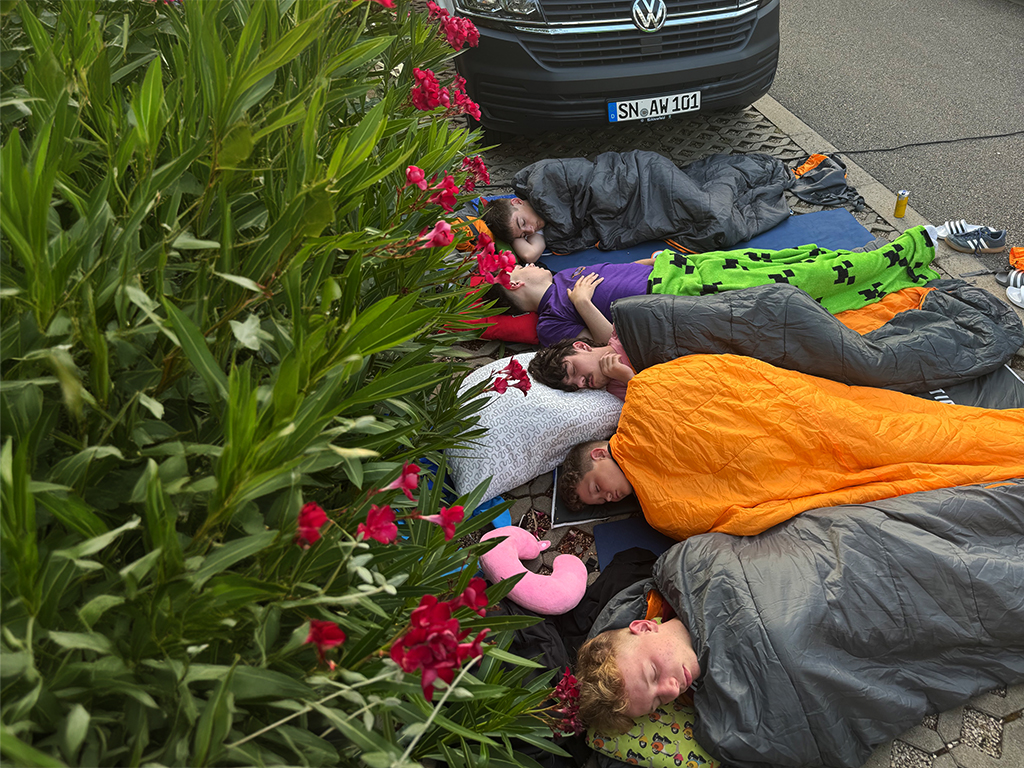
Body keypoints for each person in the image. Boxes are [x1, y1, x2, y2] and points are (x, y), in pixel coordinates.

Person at [574, 478, 1024, 768]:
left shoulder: (691, 564)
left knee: (969, 551)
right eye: (657, 703)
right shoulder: (730, 719)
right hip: (905, 627)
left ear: (644, 627)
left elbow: (780, 528)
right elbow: (814, 734)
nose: (670, 691)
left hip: (871, 554)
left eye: (653, 675)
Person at [556, 354, 1024, 540]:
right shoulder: (660, 511)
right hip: (806, 463)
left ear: (598, 454)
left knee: (904, 429)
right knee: (910, 444)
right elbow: (736, 515)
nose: (608, 501)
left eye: (596, 491)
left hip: (810, 418)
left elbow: (734, 375)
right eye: (597, 504)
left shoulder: (646, 395)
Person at [527, 279, 1024, 400]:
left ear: (579, 348)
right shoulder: (618, 381)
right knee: (861, 362)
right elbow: (672, 395)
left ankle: (978, 322)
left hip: (770, 318)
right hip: (771, 331)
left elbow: (626, 335)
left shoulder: (617, 345)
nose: (586, 384)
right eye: (578, 388)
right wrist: (627, 379)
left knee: (876, 369)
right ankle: (938, 321)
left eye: (576, 373)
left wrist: (584, 307)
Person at [486, 225, 940, 347]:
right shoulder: (552, 321)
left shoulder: (562, 275)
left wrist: (656, 258)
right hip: (686, 298)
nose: (539, 264)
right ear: (514, 279)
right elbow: (609, 343)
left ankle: (867, 261)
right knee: (795, 282)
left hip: (684, 269)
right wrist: (583, 304)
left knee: (793, 260)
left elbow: (621, 267)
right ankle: (906, 251)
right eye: (529, 267)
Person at [480, 197, 547, 263]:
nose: (531, 230)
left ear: (517, 202)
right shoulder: (532, 227)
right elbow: (529, 255)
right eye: (523, 234)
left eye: (523, 222)